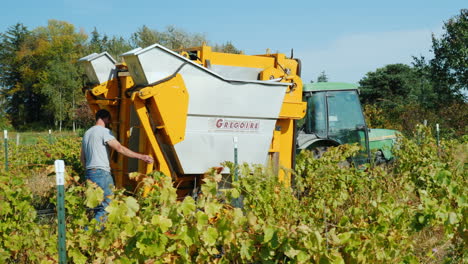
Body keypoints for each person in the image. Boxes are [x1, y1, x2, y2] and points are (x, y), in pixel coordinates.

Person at [80, 109, 153, 223]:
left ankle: (94, 236)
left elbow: (82, 158)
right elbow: (119, 148)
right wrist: (141, 157)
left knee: (97, 207)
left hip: (90, 173)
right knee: (107, 207)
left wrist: (90, 170)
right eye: (109, 120)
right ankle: (90, 232)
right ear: (106, 119)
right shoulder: (104, 132)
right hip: (101, 173)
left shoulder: (87, 133)